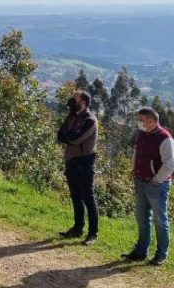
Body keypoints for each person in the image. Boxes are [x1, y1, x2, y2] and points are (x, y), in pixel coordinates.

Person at [124, 107, 174, 266]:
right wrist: (134, 171)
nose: (139, 123)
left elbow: (170, 165)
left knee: (160, 220)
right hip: (140, 181)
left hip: (157, 185)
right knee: (141, 217)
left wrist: (156, 180)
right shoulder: (142, 134)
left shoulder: (165, 138)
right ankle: (141, 251)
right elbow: (137, 153)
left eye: (141, 120)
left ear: (151, 121)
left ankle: (161, 254)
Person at [56, 90, 99, 245]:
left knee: (88, 197)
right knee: (75, 196)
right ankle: (77, 228)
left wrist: (68, 135)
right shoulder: (71, 116)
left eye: (75, 99)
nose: (71, 102)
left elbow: (75, 139)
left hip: (84, 163)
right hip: (71, 160)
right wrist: (68, 135)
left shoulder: (90, 120)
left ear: (84, 103)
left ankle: (93, 233)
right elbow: (59, 135)